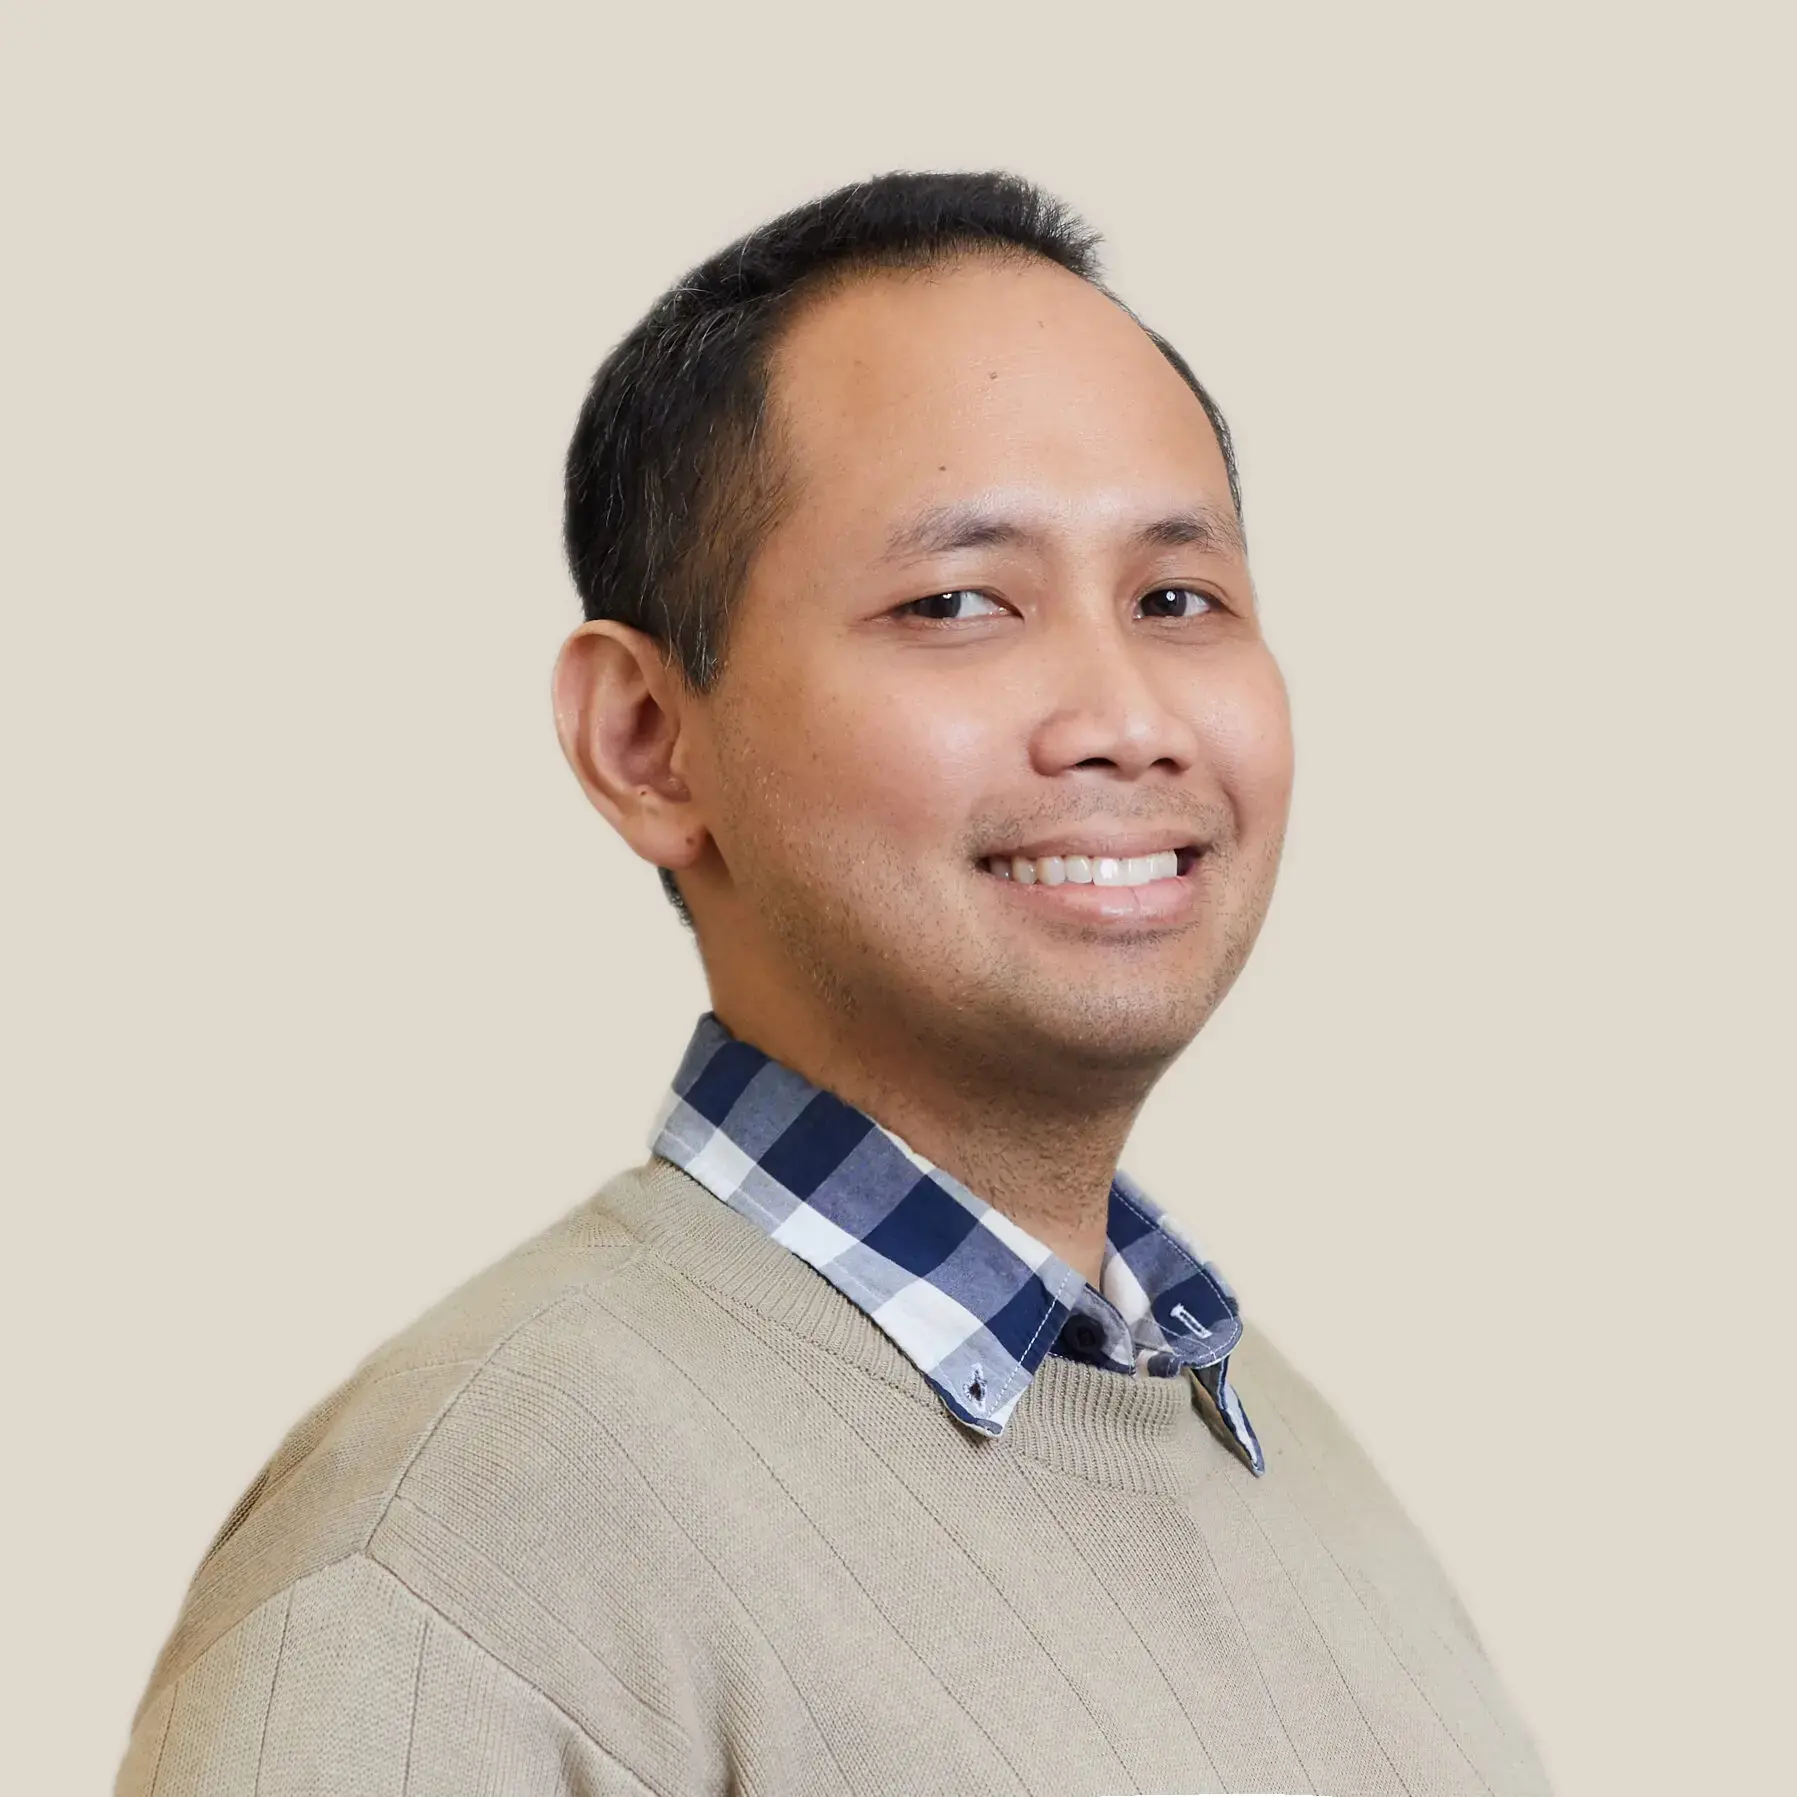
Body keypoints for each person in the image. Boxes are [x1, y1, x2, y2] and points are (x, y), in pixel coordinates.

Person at [114, 171, 1554, 1796]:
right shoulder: (447, 1561)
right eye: (955, 603)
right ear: (647, 740)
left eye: (1177, 598)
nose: (1124, 712)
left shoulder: (1266, 1443)